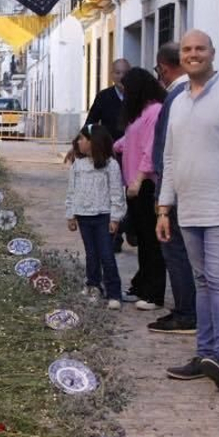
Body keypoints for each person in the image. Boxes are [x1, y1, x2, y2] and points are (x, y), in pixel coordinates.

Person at [156, 29, 219, 391]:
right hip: (189, 209)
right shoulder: (179, 101)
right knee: (202, 283)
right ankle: (204, 356)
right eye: (187, 50)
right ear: (181, 56)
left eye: (200, 48)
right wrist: (164, 207)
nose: (193, 54)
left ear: (212, 53)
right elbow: (170, 158)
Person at [148, 41, 198, 335]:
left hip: (176, 188)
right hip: (188, 185)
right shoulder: (191, 94)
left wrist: (162, 198)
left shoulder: (177, 96)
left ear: (164, 68)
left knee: (175, 251)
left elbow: (167, 148)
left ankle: (186, 313)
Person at [117, 67, 167, 311]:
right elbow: (127, 142)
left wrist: (138, 180)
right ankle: (141, 284)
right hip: (133, 186)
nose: (124, 96)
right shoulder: (140, 114)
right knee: (141, 238)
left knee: (151, 241)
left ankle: (154, 293)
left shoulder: (155, 112)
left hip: (144, 186)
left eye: (127, 91)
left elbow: (150, 149)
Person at [65, 123, 127, 309]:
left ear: (94, 142)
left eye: (83, 138)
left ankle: (114, 292)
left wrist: (115, 218)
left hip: (104, 217)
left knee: (106, 254)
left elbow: (117, 193)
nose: (79, 142)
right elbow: (72, 191)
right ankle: (93, 285)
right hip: (84, 216)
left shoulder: (111, 165)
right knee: (91, 254)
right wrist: (71, 214)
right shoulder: (78, 165)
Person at [86, 57, 131, 142]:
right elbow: (90, 123)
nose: (121, 77)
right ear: (112, 75)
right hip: (109, 149)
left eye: (125, 73)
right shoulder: (103, 97)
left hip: (133, 149)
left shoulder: (138, 96)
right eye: (117, 73)